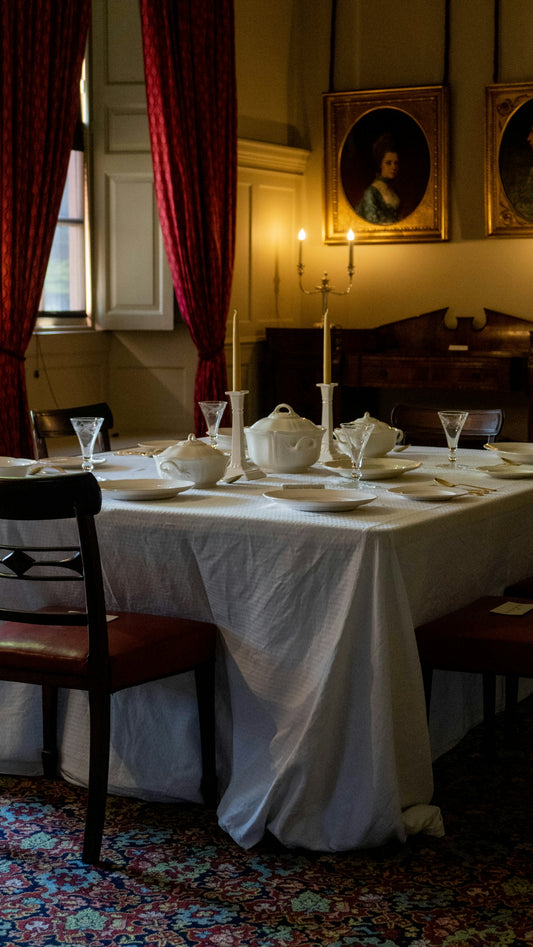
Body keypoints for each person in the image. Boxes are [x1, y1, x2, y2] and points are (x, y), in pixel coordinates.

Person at [356, 133, 402, 225]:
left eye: (396, 163)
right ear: (380, 165)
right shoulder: (371, 192)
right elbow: (372, 223)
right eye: (388, 163)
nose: (394, 167)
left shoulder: (395, 191)